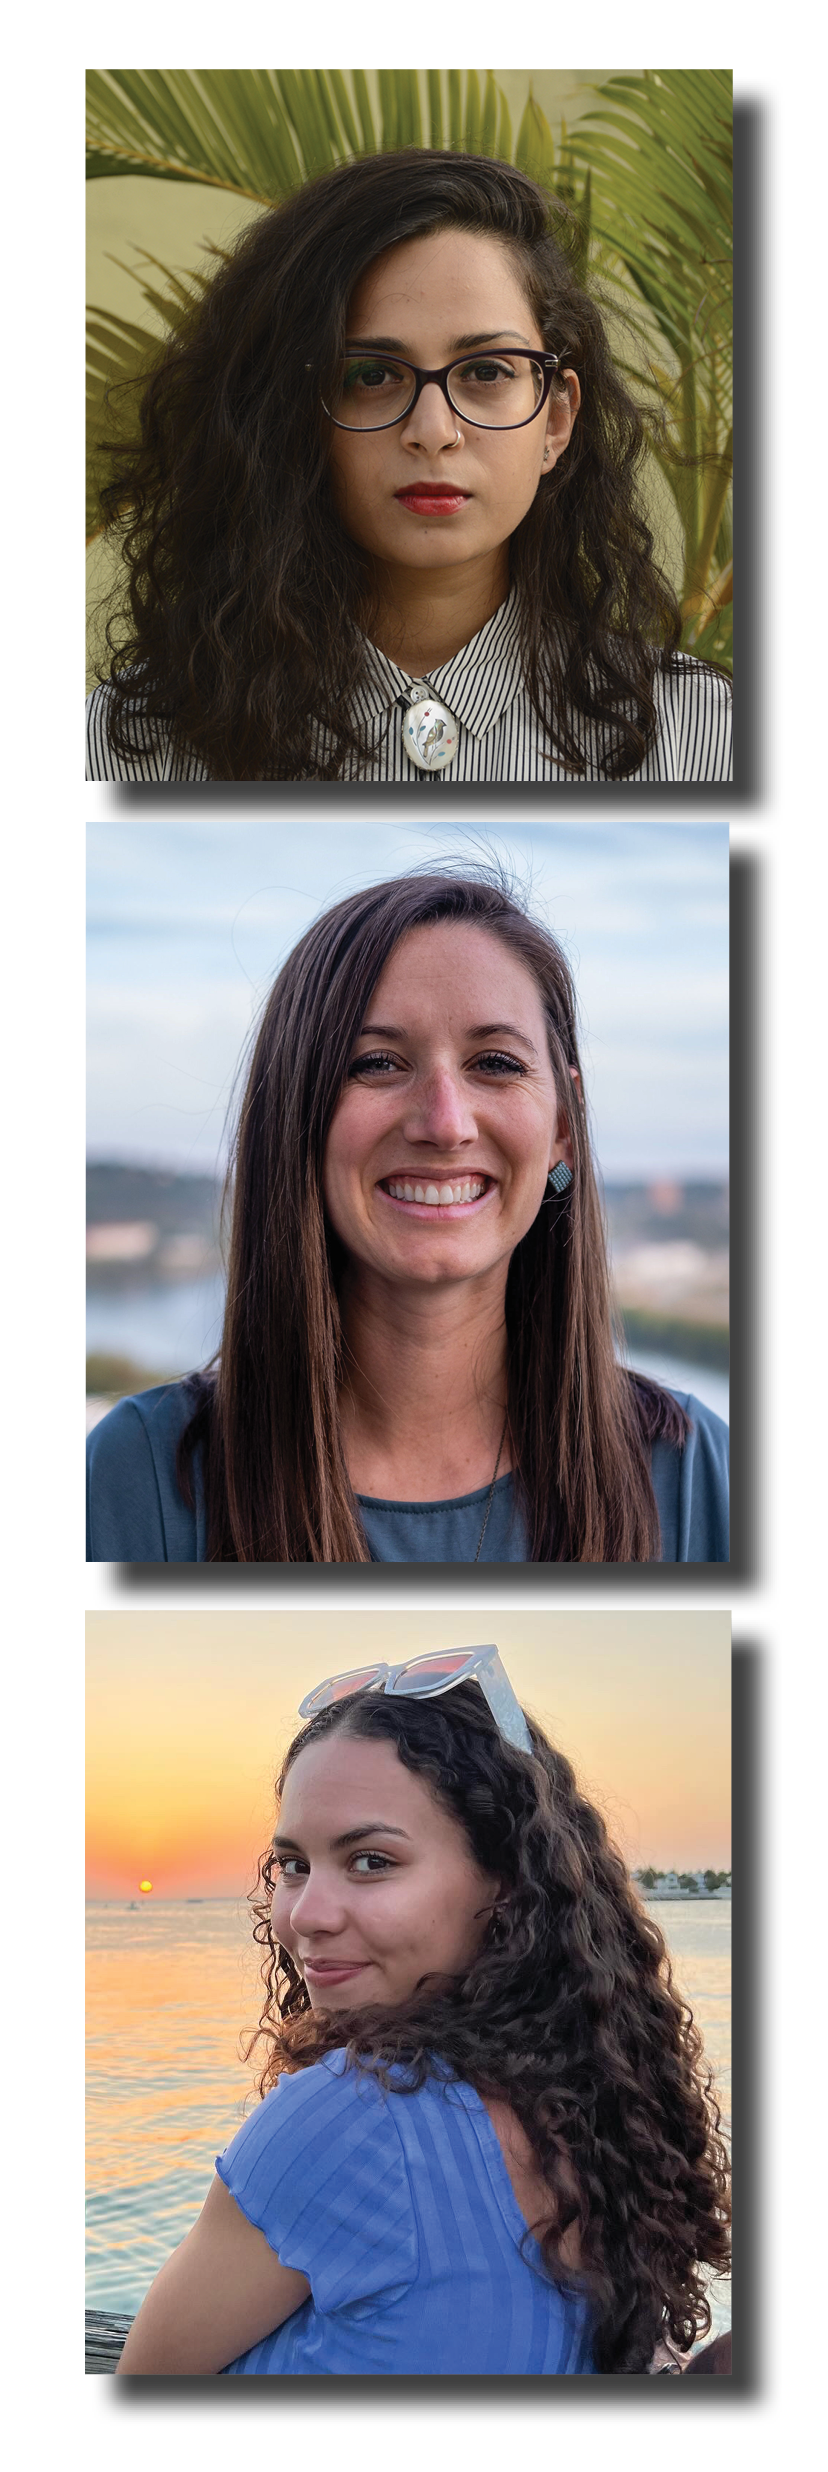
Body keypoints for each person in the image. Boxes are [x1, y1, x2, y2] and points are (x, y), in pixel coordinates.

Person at [116, 1648, 731, 2376]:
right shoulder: (600, 2111)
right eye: (293, 1865)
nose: (307, 1914)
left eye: (371, 1861)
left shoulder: (350, 2117)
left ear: (504, 1881)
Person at [86, 870, 729, 1565]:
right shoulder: (138, 1478)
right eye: (379, 1063)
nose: (445, 1123)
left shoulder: (695, 1475)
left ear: (563, 1125)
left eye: (495, 1063)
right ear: (295, 1112)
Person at [86, 149, 731, 783]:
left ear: (556, 419)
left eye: (485, 372)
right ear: (291, 415)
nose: (433, 432)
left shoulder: (709, 736)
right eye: (371, 375)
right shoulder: (122, 749)